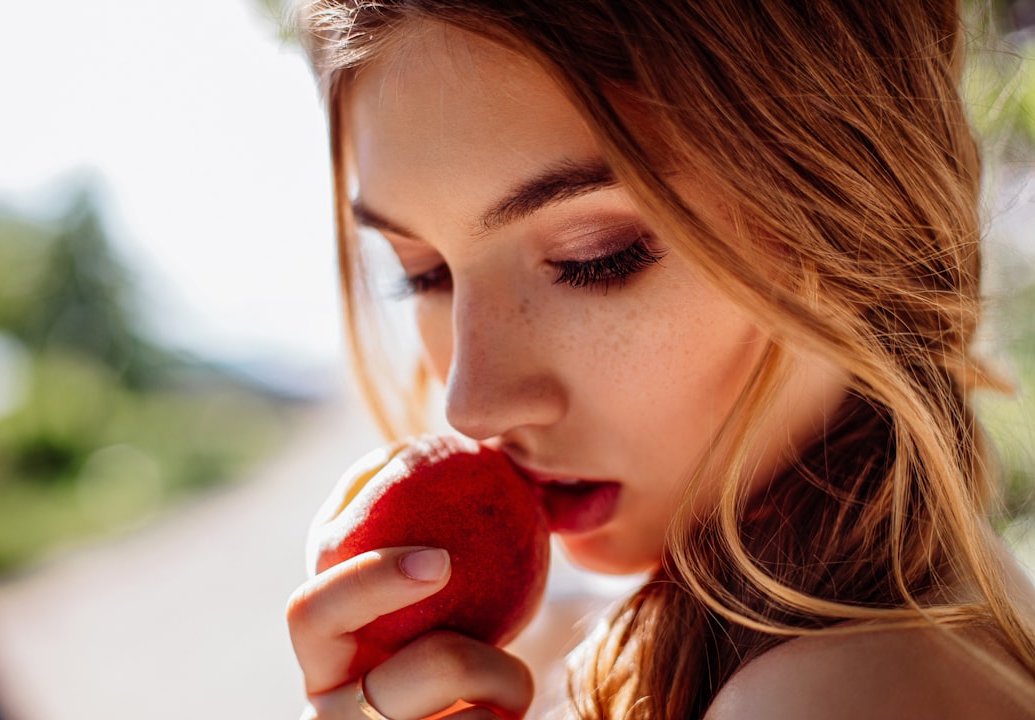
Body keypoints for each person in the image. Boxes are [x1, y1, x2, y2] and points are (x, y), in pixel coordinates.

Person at [285, 1, 1035, 717]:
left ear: (854, 212)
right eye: (423, 273)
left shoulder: (835, 696)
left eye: (595, 258)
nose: (472, 404)